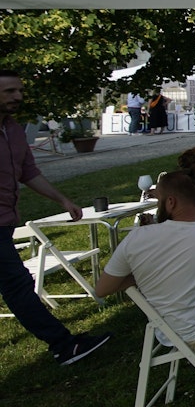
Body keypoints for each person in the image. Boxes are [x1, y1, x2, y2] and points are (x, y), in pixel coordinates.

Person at [0, 70, 111, 365]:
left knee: (14, 284)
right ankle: (64, 345)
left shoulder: (13, 131)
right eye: (9, 91)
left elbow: (28, 173)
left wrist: (63, 200)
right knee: (17, 285)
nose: (17, 97)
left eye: (19, 90)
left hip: (4, 222)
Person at [95, 168, 195, 347]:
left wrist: (145, 274)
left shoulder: (135, 239)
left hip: (169, 331)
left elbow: (101, 289)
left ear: (170, 202)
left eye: (158, 200)